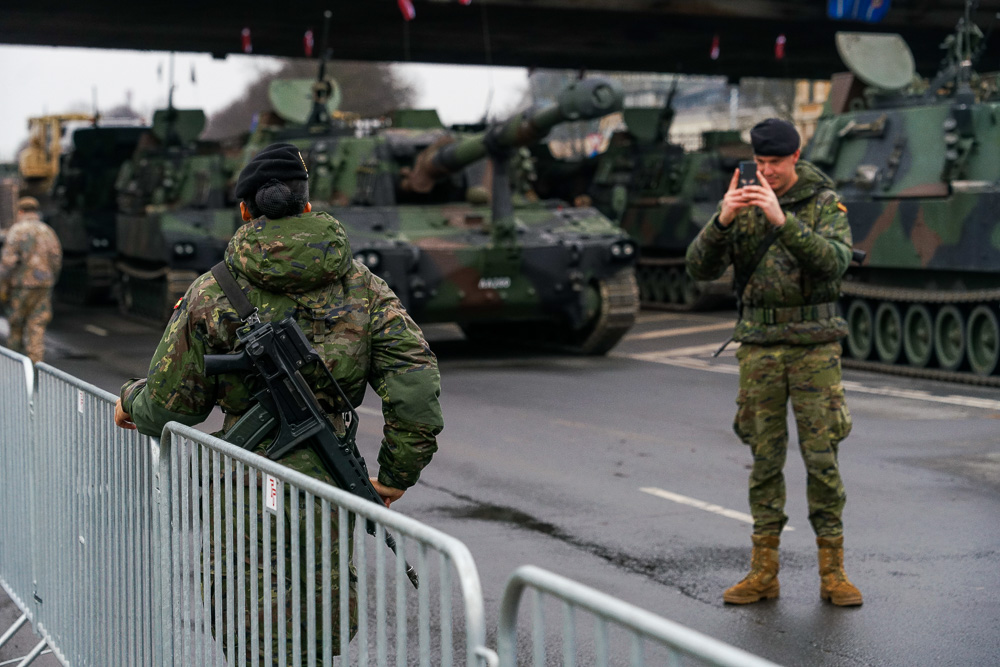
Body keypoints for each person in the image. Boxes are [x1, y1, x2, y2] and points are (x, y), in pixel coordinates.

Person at [113, 143, 444, 660]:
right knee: (319, 601)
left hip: (245, 482)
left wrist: (132, 402)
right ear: (307, 204)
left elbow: (171, 405)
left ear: (246, 209)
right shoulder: (365, 287)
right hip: (327, 482)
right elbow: (416, 383)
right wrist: (397, 474)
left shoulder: (211, 291)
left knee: (245, 607)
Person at [686, 118, 862, 607]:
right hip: (760, 347)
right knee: (764, 460)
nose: (766, 173)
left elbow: (833, 262)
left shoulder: (824, 203)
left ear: (796, 156)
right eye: (759, 164)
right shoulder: (741, 202)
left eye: (775, 164)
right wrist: (722, 219)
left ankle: (833, 574)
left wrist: (782, 220)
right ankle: (763, 572)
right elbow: (698, 269)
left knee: (822, 458)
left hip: (814, 349)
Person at [0, 196, 63, 363]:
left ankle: (16, 368)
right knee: (37, 327)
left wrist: (3, 286)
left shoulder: (16, 231)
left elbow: (7, 263)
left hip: (20, 287)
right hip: (43, 286)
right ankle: (36, 368)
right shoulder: (48, 231)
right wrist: (50, 279)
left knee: (16, 326)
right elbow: (56, 259)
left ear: (20, 211)